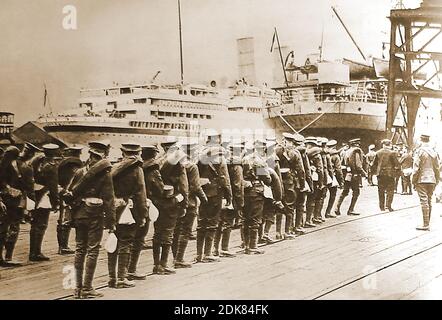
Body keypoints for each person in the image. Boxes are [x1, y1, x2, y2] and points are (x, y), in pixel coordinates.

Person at [64, 140, 115, 299]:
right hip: (95, 216)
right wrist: (111, 223)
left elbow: (70, 194)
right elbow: (109, 200)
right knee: (93, 250)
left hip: (80, 215)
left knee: (80, 250)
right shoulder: (105, 174)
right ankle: (87, 288)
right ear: (102, 156)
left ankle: (77, 288)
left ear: (90, 155)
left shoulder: (79, 172)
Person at [109, 143, 149, 288]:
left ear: (123, 152)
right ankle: (122, 278)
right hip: (129, 210)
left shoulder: (114, 167)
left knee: (114, 242)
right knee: (126, 241)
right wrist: (143, 213)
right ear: (138, 152)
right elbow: (140, 192)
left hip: (115, 207)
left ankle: (112, 278)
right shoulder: (137, 169)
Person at [196, 131, 232, 262]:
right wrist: (229, 195)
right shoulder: (220, 154)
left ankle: (199, 254)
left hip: (202, 192)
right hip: (216, 193)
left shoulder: (200, 154)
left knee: (201, 222)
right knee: (212, 223)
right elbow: (224, 177)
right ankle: (208, 253)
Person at [0, 144, 37, 266]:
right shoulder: (24, 167)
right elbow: (29, 189)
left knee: (3, 229)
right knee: (14, 228)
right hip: (15, 202)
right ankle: (8, 257)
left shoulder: (3, 164)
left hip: (3, 201)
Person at [157, 139, 188, 273]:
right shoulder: (179, 159)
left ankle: (156, 264)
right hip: (172, 201)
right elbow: (183, 185)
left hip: (159, 200)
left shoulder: (159, 160)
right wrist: (184, 203)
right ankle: (163, 264)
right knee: (169, 233)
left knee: (157, 233)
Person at [175, 142, 207, 266]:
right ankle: (179, 259)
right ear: (192, 152)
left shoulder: (176, 164)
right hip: (190, 202)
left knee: (177, 230)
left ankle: (174, 257)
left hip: (177, 201)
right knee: (185, 231)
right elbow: (195, 186)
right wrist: (204, 199)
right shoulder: (192, 166)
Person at [29, 143, 61, 261]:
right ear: (54, 153)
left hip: (36, 194)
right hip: (44, 196)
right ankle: (36, 253)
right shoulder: (51, 166)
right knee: (41, 225)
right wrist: (56, 202)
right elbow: (53, 186)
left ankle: (33, 252)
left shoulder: (37, 161)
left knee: (34, 225)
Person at [242, 139, 272, 254]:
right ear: (263, 148)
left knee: (246, 218)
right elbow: (267, 179)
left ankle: (245, 244)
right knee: (255, 219)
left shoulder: (245, 159)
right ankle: (253, 246)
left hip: (246, 191)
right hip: (257, 191)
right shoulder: (259, 162)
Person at [214, 143, 242, 256]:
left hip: (219, 195)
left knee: (219, 222)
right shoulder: (237, 164)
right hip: (231, 196)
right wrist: (240, 203)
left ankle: (215, 248)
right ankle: (224, 248)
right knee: (228, 223)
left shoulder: (221, 160)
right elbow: (237, 185)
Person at [57, 145, 83, 255]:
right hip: (72, 194)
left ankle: (62, 245)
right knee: (68, 221)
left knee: (63, 220)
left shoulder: (62, 163)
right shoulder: (76, 164)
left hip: (63, 192)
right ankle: (64, 246)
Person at [412, 133, 440, 231]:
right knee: (429, 200)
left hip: (422, 179)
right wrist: (436, 179)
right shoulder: (434, 152)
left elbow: (416, 168)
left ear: (420, 140)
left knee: (424, 201)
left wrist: (413, 181)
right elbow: (437, 168)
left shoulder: (419, 151)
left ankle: (425, 224)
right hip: (432, 179)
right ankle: (427, 222)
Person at [334, 138, 366, 216]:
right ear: (357, 144)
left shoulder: (345, 152)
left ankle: (337, 208)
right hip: (354, 175)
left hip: (347, 174)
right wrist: (364, 173)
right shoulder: (356, 152)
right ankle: (351, 210)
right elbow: (358, 165)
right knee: (356, 192)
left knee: (345, 191)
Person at [372, 139, 400, 212]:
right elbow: (397, 164)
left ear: (383, 144)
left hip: (380, 174)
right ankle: (388, 206)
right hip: (390, 174)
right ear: (389, 145)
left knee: (380, 191)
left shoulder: (378, 152)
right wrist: (397, 173)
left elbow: (374, 164)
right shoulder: (392, 153)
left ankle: (381, 207)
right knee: (390, 191)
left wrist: (375, 173)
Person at [305, 137, 324, 226]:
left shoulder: (303, 153)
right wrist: (321, 183)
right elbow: (320, 169)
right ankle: (309, 220)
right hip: (314, 179)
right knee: (312, 200)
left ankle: (302, 222)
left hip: (304, 179)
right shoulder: (316, 153)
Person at [324, 140, 344, 217]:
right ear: (335, 147)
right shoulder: (336, 156)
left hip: (325, 176)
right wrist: (341, 181)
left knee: (322, 196)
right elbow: (338, 170)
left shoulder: (325, 155)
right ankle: (328, 212)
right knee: (332, 195)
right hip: (333, 178)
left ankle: (317, 214)